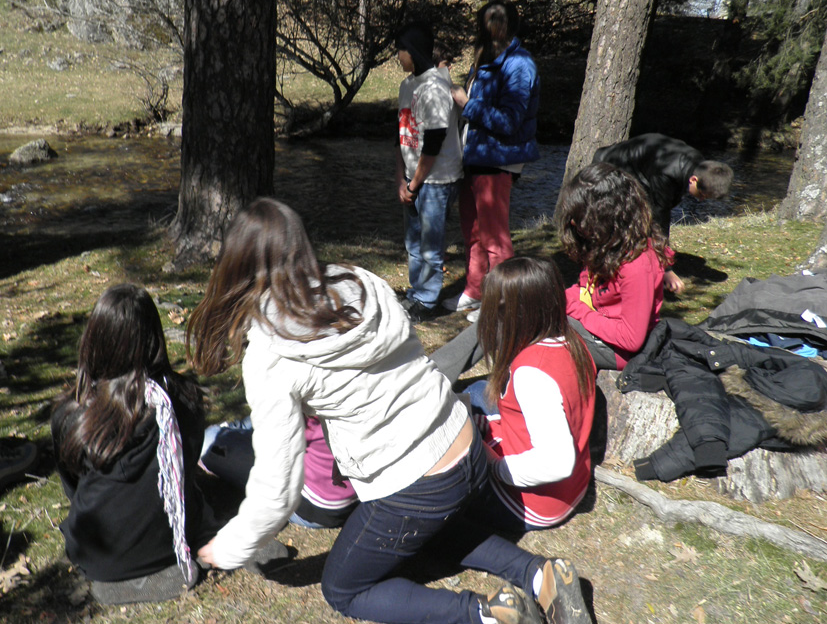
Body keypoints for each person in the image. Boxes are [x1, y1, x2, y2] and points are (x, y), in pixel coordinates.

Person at [186, 198, 591, 624]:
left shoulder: (270, 355)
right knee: (418, 529)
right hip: (464, 441)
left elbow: (278, 485)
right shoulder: (358, 282)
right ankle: (539, 573)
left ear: (235, 266)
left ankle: (485, 615)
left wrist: (231, 546)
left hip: (417, 482)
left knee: (344, 588)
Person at [50, 284, 229, 605]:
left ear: (95, 341)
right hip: (172, 542)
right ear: (155, 337)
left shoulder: (72, 414)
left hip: (96, 554)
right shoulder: (187, 399)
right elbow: (185, 466)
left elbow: (73, 488)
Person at [464, 257, 596, 533]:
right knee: (476, 392)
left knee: (452, 434)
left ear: (513, 315)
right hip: (575, 485)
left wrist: (496, 467)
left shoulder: (532, 374)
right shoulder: (572, 340)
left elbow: (557, 463)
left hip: (533, 503)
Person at [443, 0, 540, 321]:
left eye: (496, 21)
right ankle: (474, 290)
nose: (490, 28)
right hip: (475, 156)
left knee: (495, 237)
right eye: (486, 21)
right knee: (472, 229)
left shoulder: (520, 64)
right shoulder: (485, 60)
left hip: (498, 159)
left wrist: (465, 103)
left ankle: (503, 304)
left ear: (508, 25)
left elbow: (510, 121)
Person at [556, 162, 674, 371]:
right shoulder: (607, 245)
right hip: (597, 329)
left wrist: (576, 310)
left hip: (620, 352)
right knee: (517, 303)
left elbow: (631, 339)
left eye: (580, 217)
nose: (574, 223)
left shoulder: (637, 265)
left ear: (603, 217)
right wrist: (557, 297)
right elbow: (588, 292)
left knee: (536, 325)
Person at [592, 133, 733, 294]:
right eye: (701, 195)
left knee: (643, 221)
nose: (701, 201)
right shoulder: (667, 174)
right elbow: (660, 218)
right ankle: (607, 277)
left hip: (643, 170)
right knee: (623, 223)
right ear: (693, 180)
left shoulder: (700, 165)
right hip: (611, 168)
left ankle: (639, 263)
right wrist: (666, 269)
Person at [395, 21, 463, 323]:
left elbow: (434, 143)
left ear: (413, 51)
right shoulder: (407, 85)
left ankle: (428, 300)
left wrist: (415, 184)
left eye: (400, 50)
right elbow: (400, 134)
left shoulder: (434, 88)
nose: (397, 56)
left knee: (430, 245)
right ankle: (416, 292)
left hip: (436, 180)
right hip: (413, 178)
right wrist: (402, 179)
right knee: (412, 242)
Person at [199, 414, 359, 529]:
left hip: (319, 507)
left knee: (208, 441)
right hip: (363, 488)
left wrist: (225, 550)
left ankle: (233, 431)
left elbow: (272, 458)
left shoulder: (286, 381)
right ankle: (239, 428)